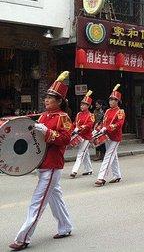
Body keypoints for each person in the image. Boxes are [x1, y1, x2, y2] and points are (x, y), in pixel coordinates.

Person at [9, 71, 73, 251]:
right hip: (42, 163)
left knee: (37, 202)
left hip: (52, 164)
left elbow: (65, 140)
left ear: (59, 101)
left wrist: (47, 133)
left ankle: (23, 238)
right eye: (46, 97)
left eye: (51, 98)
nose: (46, 100)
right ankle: (66, 226)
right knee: (55, 198)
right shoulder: (44, 115)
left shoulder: (63, 117)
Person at [94, 84, 125, 187]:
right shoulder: (107, 111)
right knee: (113, 155)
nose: (111, 101)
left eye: (114, 100)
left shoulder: (120, 112)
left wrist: (107, 128)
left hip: (115, 137)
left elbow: (119, 124)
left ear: (118, 101)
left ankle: (101, 177)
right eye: (110, 100)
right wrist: (98, 129)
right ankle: (117, 175)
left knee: (108, 156)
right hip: (107, 136)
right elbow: (104, 122)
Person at [70, 90, 95, 178]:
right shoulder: (78, 114)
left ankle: (74, 171)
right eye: (81, 104)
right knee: (85, 153)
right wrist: (71, 130)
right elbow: (74, 123)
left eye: (84, 104)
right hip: (79, 136)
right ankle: (89, 169)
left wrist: (80, 128)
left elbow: (89, 125)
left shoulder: (91, 115)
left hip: (87, 137)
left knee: (81, 153)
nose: (82, 106)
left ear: (88, 106)